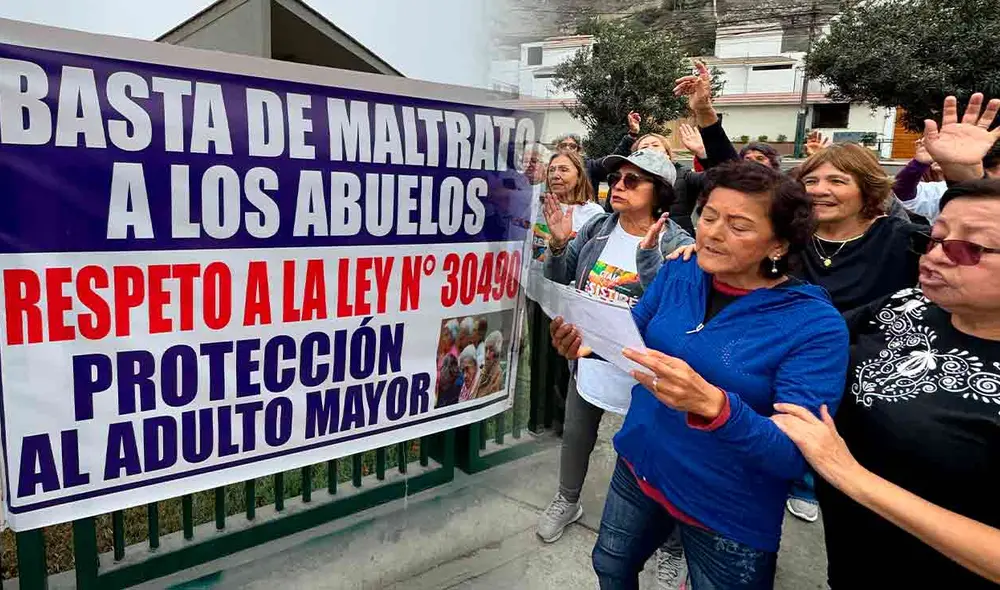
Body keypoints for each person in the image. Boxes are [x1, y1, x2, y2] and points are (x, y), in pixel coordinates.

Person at [552, 160, 847, 589]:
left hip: (727, 506)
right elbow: (636, 333)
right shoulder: (679, 270)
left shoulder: (814, 325)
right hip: (641, 464)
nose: (713, 233)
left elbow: (795, 453)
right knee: (610, 565)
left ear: (778, 244)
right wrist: (590, 346)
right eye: (708, 217)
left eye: (738, 226)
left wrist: (715, 406)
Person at [772, 92, 1000, 590]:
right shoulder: (907, 305)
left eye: (967, 249)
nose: (933, 256)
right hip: (853, 552)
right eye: (935, 240)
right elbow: (815, 334)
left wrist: (848, 475)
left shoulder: (892, 241)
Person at [536, 149, 693, 544]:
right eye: (615, 178)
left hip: (646, 377)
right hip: (589, 362)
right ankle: (567, 499)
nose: (618, 186)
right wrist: (558, 245)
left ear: (659, 192)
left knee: (658, 458)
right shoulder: (598, 229)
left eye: (631, 180)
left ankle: (670, 542)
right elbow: (560, 277)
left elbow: (679, 313)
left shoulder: (679, 244)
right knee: (576, 436)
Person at [555, 112, 641, 197]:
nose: (567, 149)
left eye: (572, 146)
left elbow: (614, 157)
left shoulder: (590, 166)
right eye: (563, 145)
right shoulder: (551, 168)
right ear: (558, 149)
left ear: (578, 150)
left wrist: (632, 134)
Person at [476, 331, 506, 397]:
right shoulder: (481, 370)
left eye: (491, 350)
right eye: (486, 349)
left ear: (497, 353)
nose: (487, 355)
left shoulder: (498, 375)